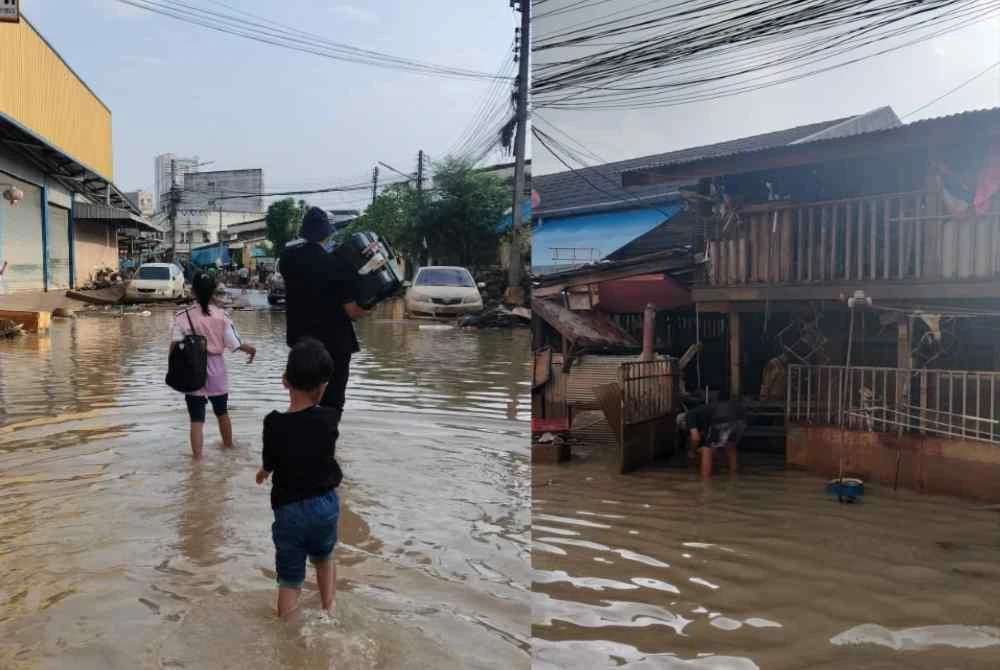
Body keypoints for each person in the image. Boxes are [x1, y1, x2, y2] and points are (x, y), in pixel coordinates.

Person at [256, 338, 342, 620]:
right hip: (325, 507)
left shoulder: (273, 423)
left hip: (289, 512)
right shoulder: (329, 420)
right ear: (323, 387)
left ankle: (287, 630)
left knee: (290, 578)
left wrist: (264, 472)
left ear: (284, 381)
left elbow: (271, 460)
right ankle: (328, 608)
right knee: (325, 557)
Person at [280, 207, 370, 428]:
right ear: (328, 233)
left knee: (301, 402)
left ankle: (298, 449)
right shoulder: (339, 266)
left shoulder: (288, 260)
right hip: (335, 347)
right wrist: (370, 306)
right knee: (332, 404)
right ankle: (325, 453)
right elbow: (353, 311)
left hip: (302, 345)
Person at [170, 272, 256, 459]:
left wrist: (174, 370)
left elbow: (174, 346)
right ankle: (228, 450)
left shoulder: (182, 317)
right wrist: (251, 350)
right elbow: (234, 344)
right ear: (213, 292)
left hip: (192, 371)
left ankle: (197, 463)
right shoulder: (222, 317)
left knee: (196, 419)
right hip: (217, 371)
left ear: (192, 291)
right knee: (222, 412)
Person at [678, 399, 746, 479]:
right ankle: (734, 478)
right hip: (740, 421)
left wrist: (692, 451)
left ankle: (705, 482)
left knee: (706, 450)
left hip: (721, 419)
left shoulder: (689, 415)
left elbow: (695, 438)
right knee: (730, 448)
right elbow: (715, 442)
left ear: (683, 422)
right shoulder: (703, 416)